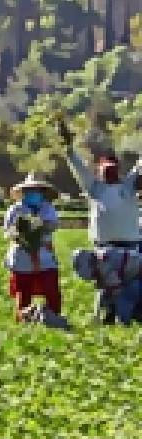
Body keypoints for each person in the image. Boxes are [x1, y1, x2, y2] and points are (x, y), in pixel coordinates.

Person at [58, 120, 142, 324]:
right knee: (106, 284)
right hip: (103, 250)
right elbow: (80, 169)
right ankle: (108, 314)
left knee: (134, 285)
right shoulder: (95, 189)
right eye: (105, 169)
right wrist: (69, 149)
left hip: (131, 249)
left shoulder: (129, 186)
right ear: (99, 171)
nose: (109, 172)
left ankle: (131, 313)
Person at [3, 173, 63, 321]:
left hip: (45, 256)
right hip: (22, 256)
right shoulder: (15, 209)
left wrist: (39, 224)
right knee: (23, 293)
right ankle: (24, 320)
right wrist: (21, 232)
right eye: (30, 190)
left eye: (37, 190)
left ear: (42, 192)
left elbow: (54, 224)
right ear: (24, 192)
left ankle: (53, 319)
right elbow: (8, 232)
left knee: (52, 291)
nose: (33, 193)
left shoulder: (47, 208)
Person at [71, 246, 142, 324]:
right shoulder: (101, 258)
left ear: (92, 263)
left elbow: (116, 290)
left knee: (123, 299)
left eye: (93, 274)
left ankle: (125, 323)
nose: (94, 278)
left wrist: (102, 308)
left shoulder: (105, 264)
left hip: (138, 279)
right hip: (134, 278)